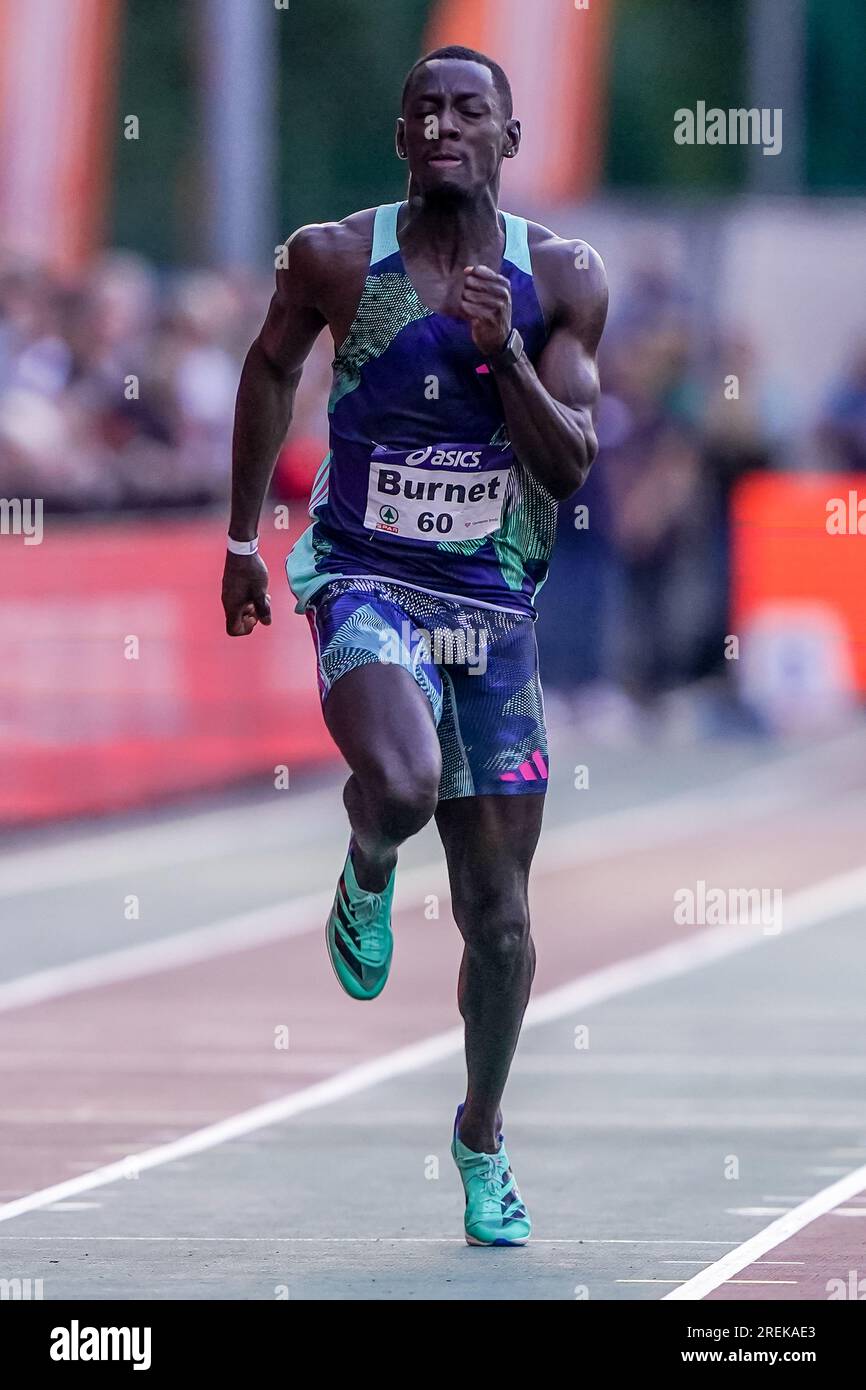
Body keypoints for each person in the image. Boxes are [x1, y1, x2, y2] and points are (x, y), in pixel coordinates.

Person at [221, 44, 608, 1247]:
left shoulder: (559, 277)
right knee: (393, 780)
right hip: (365, 575)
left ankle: (481, 1136)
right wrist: (243, 535)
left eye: (469, 111)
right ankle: (370, 859)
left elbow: (569, 465)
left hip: (489, 605)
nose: (445, 125)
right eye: (425, 110)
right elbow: (270, 364)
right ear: (399, 137)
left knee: (499, 921)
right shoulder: (335, 255)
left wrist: (498, 360)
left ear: (508, 139)